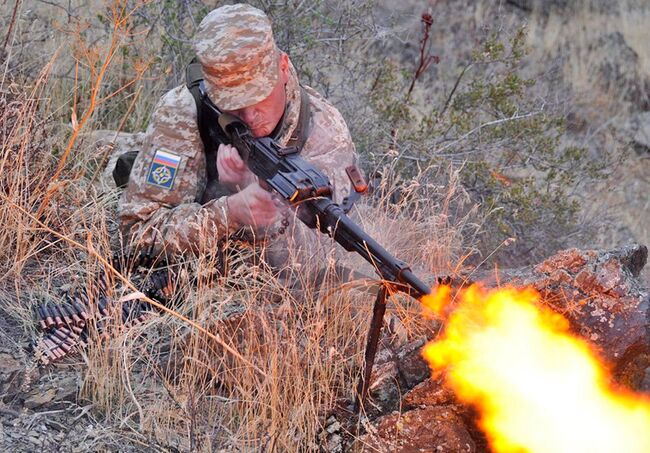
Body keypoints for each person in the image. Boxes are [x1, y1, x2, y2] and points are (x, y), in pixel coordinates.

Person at [118, 4, 357, 269]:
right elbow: (137, 233)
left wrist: (249, 191)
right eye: (234, 104)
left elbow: (324, 252)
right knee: (107, 150)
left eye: (259, 97)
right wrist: (228, 212)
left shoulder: (323, 127)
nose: (250, 115)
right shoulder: (181, 113)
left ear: (284, 66)